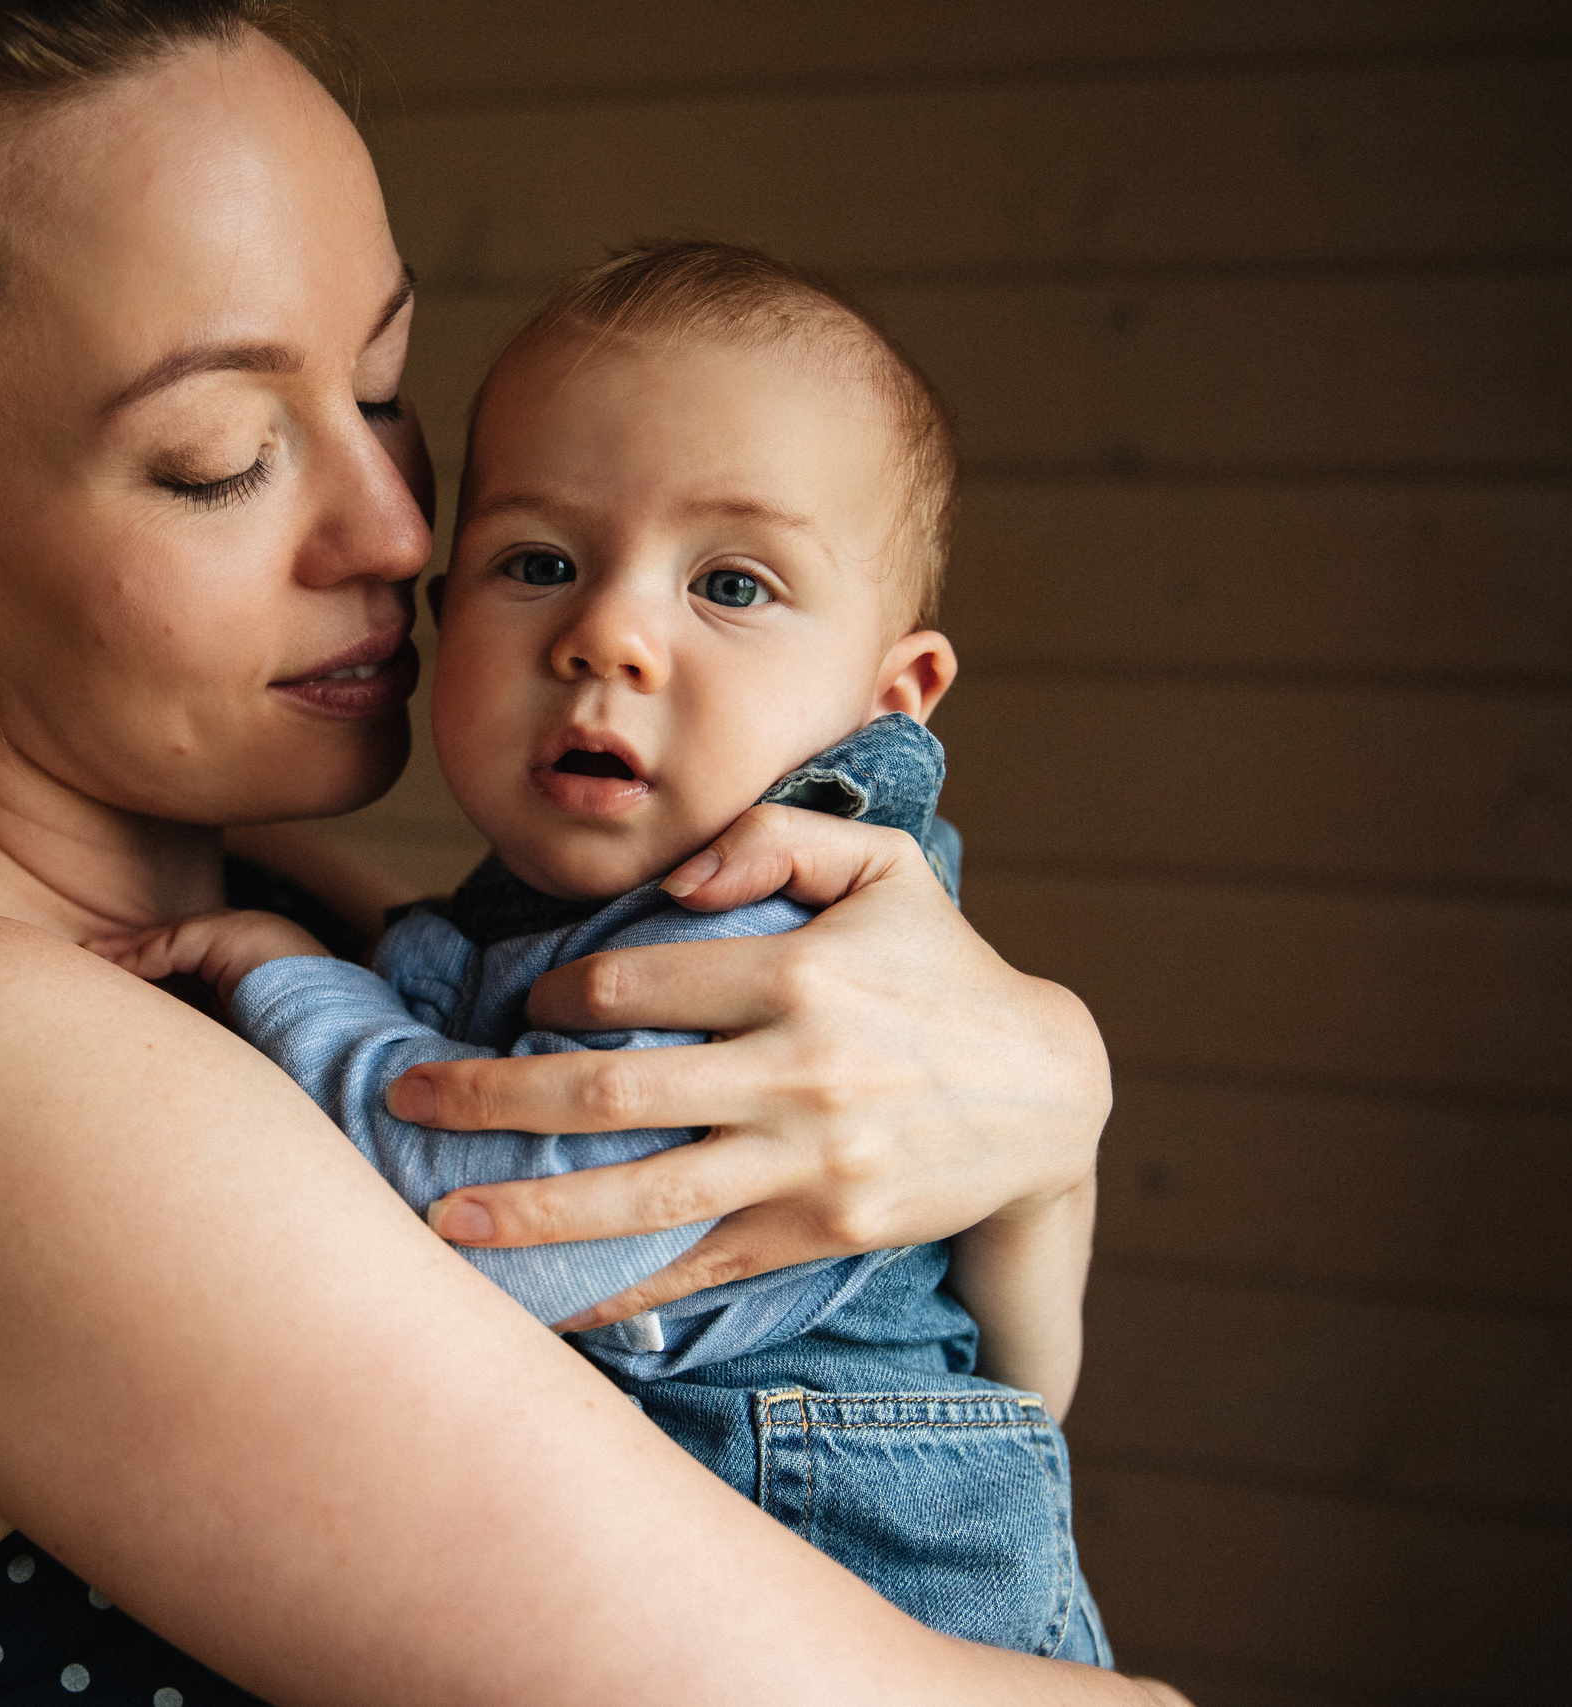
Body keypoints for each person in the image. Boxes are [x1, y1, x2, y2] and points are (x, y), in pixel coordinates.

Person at [0, 3, 1180, 1702]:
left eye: (380, 383)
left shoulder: (310, 929)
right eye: (221, 460)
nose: (401, 530)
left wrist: (1047, 1109)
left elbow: (907, 1447)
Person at [107, 239, 1107, 1663]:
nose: (608, 634)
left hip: (873, 1602)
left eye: (736, 586)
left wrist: (290, 982)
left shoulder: (765, 927)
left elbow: (510, 1225)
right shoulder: (521, 916)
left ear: (893, 696)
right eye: (540, 562)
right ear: (447, 619)